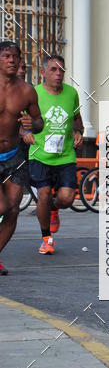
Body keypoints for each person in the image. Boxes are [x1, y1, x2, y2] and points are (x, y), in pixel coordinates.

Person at [25, 55, 83, 255]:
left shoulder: (72, 93)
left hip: (65, 155)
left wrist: (78, 132)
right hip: (40, 155)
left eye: (61, 70)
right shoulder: (33, 94)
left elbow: (77, 120)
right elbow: (20, 121)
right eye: (53, 70)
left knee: (66, 198)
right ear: (43, 73)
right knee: (43, 194)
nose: (59, 74)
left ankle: (54, 208)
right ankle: (46, 239)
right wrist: (25, 133)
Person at [0, 41, 43, 274]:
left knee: (13, 209)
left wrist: (31, 125)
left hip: (14, 156)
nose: (12, 60)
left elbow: (39, 123)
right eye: (6, 55)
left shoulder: (27, 91)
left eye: (15, 56)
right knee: (1, 205)